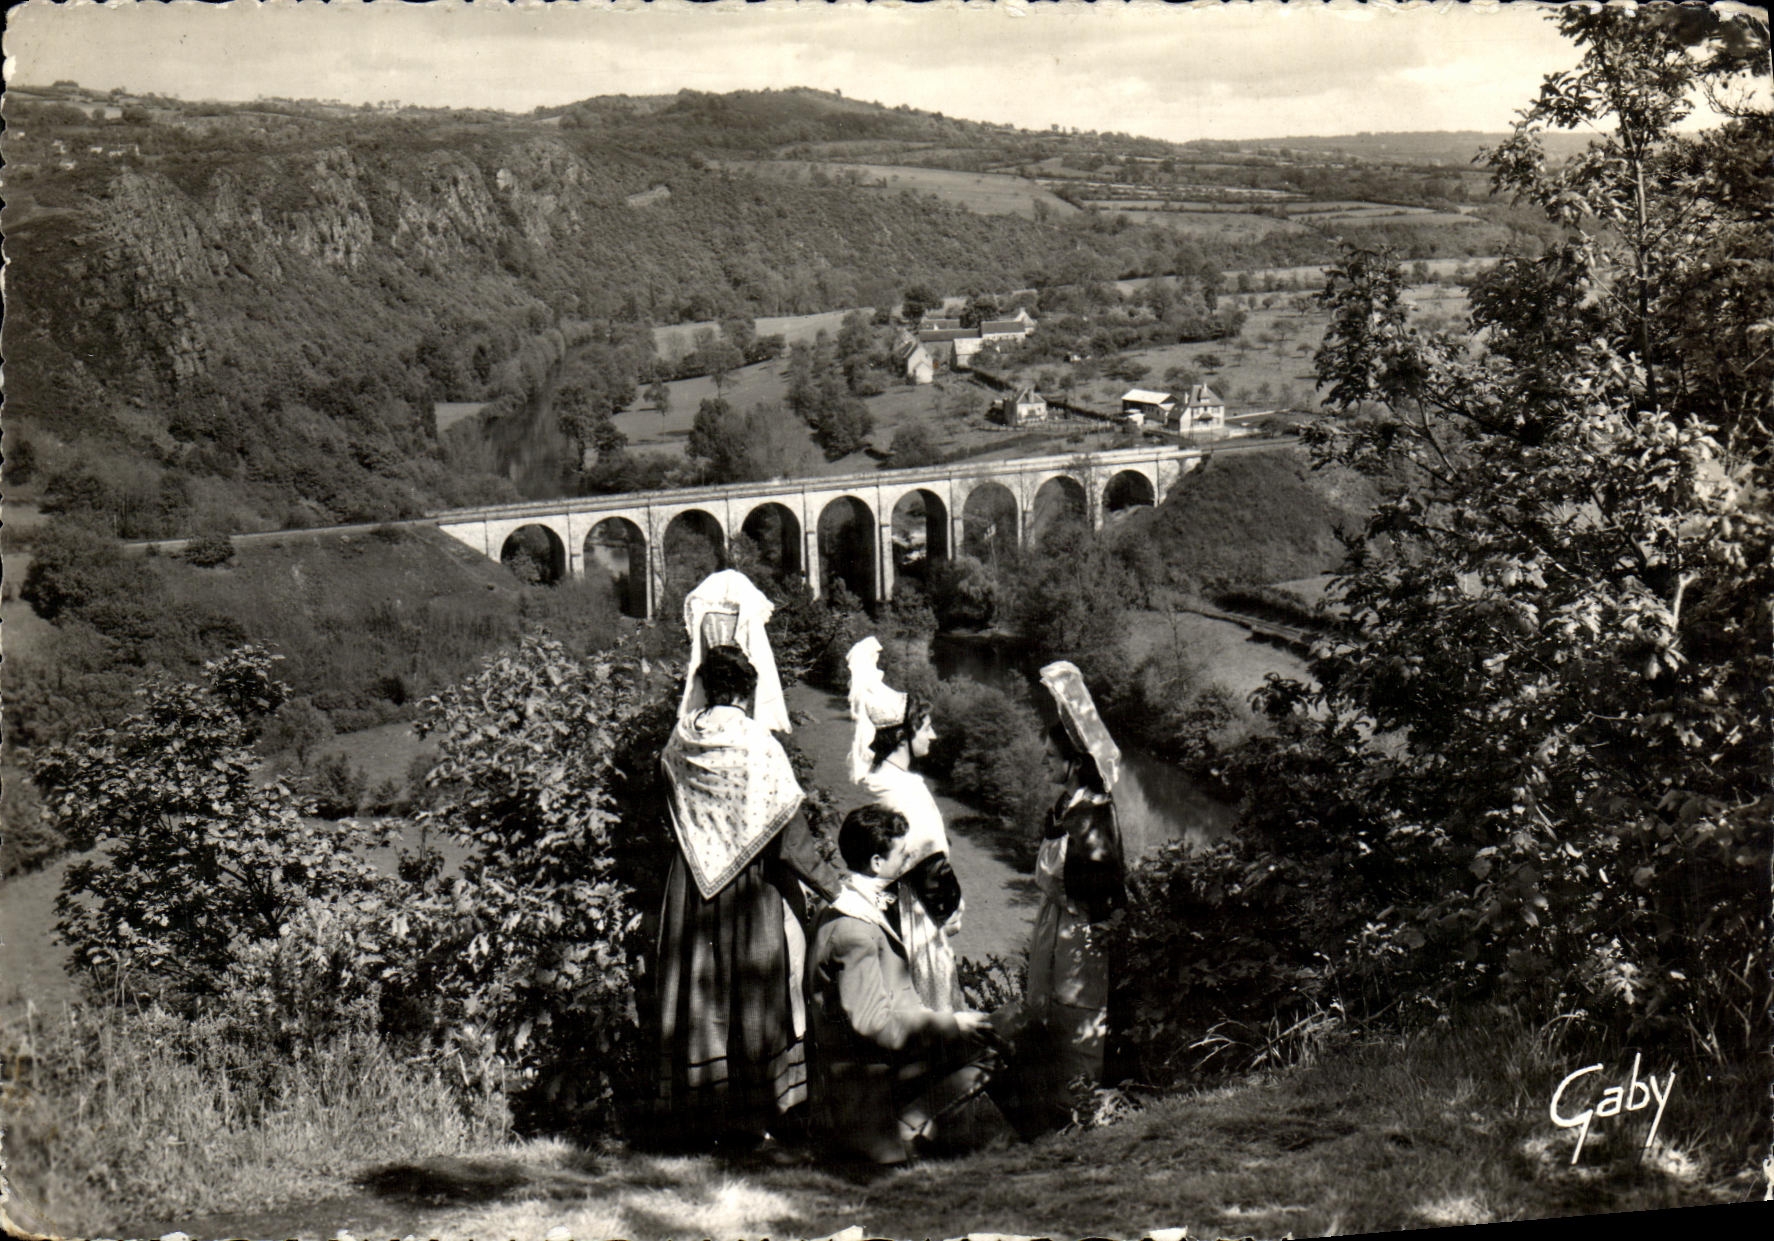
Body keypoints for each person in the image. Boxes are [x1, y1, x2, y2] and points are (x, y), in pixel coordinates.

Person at [654, 613, 844, 1148]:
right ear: (748, 692)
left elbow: (667, 807)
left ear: (705, 689)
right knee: (756, 989)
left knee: (699, 992)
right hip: (752, 889)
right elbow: (792, 841)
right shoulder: (759, 746)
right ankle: (757, 1118)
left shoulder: (679, 741)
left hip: (690, 885)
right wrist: (840, 890)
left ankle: (698, 1117)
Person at [805, 803, 1011, 1164]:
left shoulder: (845, 907)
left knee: (984, 1033)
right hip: (866, 1080)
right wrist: (951, 1024)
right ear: (876, 863)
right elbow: (873, 1023)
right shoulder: (855, 930)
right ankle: (905, 1128)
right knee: (990, 1048)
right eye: (902, 852)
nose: (909, 858)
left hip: (871, 1062)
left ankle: (932, 1127)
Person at [1023, 659, 1128, 1126]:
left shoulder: (1089, 817)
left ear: (1073, 763)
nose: (1044, 762)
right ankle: (1064, 1111)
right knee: (1058, 1014)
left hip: (1081, 932)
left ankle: (1082, 1115)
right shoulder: (1073, 806)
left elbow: (1082, 881)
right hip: (1064, 924)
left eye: (1050, 757)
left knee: (1078, 1013)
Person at [846, 637, 963, 1012]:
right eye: (925, 727)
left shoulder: (883, 780)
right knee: (931, 1005)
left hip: (894, 907)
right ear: (903, 736)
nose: (933, 735)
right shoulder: (901, 790)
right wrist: (951, 909)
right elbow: (928, 863)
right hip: (915, 917)